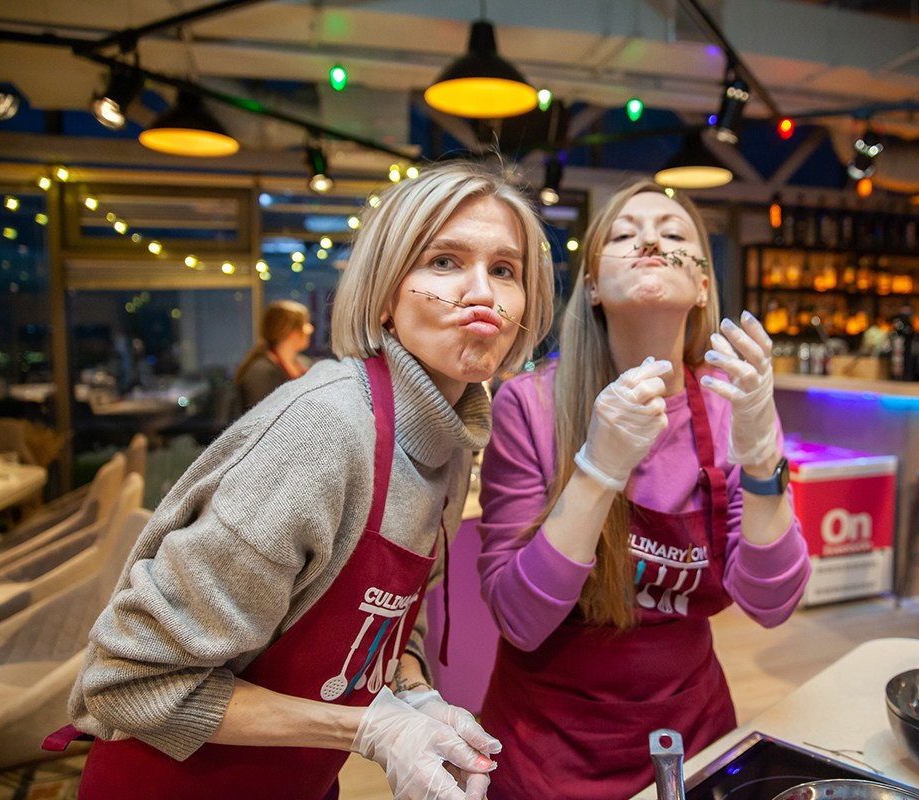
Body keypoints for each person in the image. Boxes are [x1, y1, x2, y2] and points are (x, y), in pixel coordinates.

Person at [49, 161, 554, 800]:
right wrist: (366, 729)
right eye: (444, 261)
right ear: (386, 297)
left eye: (505, 270)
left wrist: (415, 698)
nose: (481, 291)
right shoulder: (323, 431)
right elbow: (128, 682)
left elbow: (391, 626)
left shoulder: (450, 445)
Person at [475, 180, 813, 799]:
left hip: (692, 736)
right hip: (546, 749)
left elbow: (772, 604)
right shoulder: (529, 404)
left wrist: (763, 455)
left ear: (703, 285)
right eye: (625, 234)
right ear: (593, 286)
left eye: (674, 233)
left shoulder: (733, 403)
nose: (652, 241)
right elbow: (519, 618)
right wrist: (598, 469)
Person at [233, 299, 315, 413]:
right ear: (289, 331)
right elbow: (263, 416)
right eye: (304, 323)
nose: (310, 329)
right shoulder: (261, 372)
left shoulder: (303, 363)